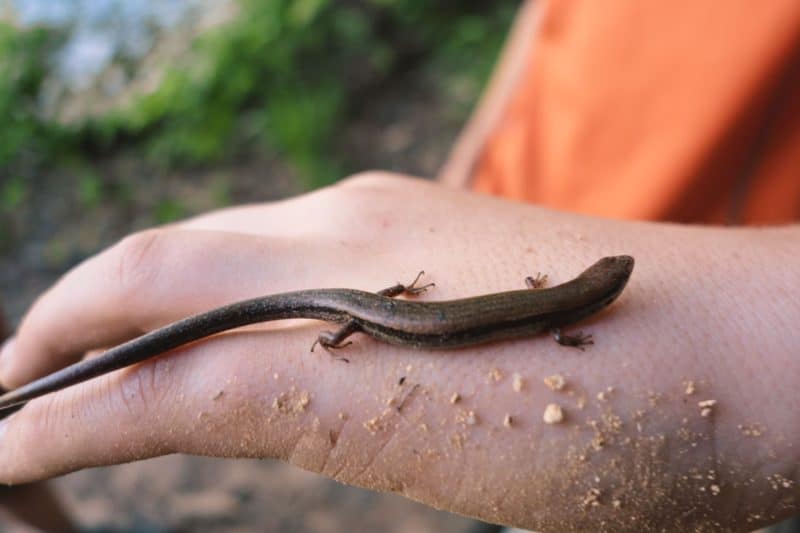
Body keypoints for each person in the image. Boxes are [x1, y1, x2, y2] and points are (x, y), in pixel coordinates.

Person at [0, 1, 797, 531]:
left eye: (609, 284)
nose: (611, 286)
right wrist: (348, 327)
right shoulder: (562, 311)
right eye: (607, 284)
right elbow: (552, 315)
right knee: (334, 328)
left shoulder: (560, 302)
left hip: (399, 292)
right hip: (379, 308)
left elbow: (546, 300)